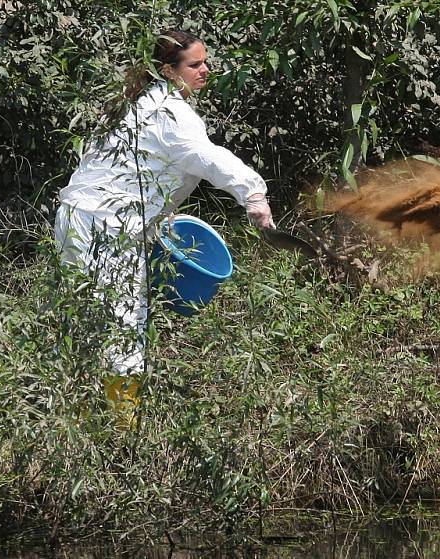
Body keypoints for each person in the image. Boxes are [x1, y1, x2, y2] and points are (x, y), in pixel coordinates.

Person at [54, 29, 275, 418]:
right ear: (168, 70)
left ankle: (76, 421)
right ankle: (122, 432)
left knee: (84, 320)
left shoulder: (133, 104)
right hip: (111, 228)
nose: (205, 70)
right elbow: (208, 157)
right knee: (124, 324)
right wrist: (253, 195)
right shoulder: (172, 113)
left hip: (75, 217)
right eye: (195, 65)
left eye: (205, 62)